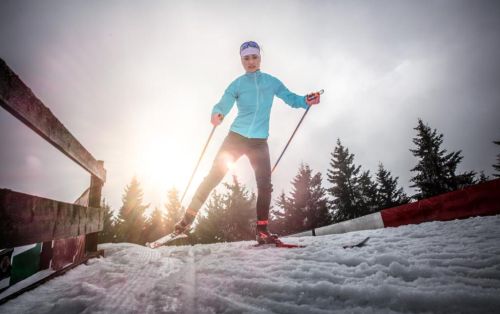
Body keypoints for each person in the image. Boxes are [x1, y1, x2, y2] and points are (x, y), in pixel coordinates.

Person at [174, 40, 321, 244]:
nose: (251, 61)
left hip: (259, 142)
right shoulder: (237, 84)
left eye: (254, 57)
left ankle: (262, 230)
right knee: (213, 177)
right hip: (235, 138)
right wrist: (217, 113)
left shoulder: (272, 82)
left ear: (260, 58)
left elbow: (291, 98)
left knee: (265, 185)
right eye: (246, 58)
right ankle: (185, 222)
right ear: (241, 60)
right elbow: (224, 102)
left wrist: (307, 99)